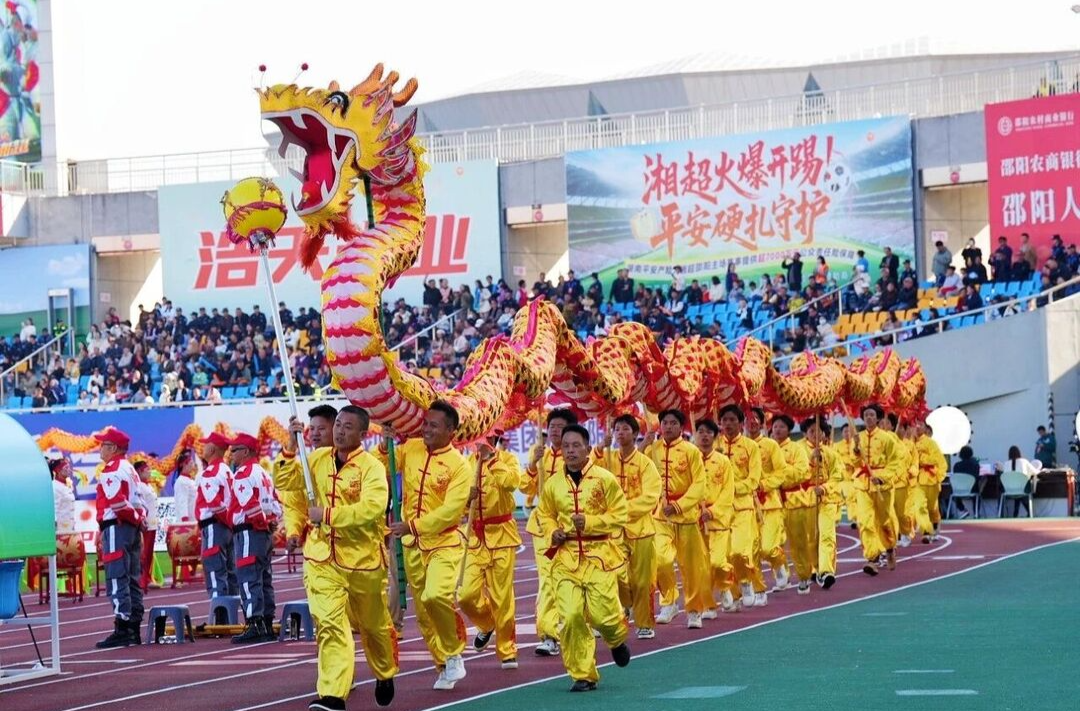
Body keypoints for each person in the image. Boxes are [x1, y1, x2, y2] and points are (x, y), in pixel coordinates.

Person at [279, 406, 398, 711]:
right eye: (339, 426)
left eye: (348, 427)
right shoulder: (317, 459)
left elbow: (373, 508)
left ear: (361, 434)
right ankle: (333, 696)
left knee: (374, 627)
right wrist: (290, 450)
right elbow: (286, 482)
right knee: (330, 625)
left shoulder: (371, 468)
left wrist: (328, 514)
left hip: (363, 562)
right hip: (322, 559)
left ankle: (384, 672)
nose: (340, 431)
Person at [381, 401, 471, 691]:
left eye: (434, 425)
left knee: (436, 596)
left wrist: (413, 525)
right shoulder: (413, 448)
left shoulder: (460, 465)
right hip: (412, 546)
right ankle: (444, 664)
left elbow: (451, 511)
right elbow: (381, 464)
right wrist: (385, 445)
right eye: (426, 423)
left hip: (444, 541)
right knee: (423, 615)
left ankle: (454, 651)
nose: (427, 429)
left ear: (450, 430)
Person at [537, 424, 631, 692]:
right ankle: (583, 673)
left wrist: (590, 522)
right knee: (570, 615)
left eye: (576, 445)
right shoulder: (553, 484)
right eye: (565, 446)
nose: (570, 451)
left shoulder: (604, 479)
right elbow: (543, 514)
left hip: (599, 557)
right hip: (566, 559)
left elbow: (620, 515)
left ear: (588, 449)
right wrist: (553, 531)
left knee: (605, 618)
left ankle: (616, 640)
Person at [593, 414, 661, 638]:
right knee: (613, 575)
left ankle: (644, 623)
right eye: (617, 429)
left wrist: (622, 510)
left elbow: (651, 497)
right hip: (614, 532)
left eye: (624, 429)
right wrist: (599, 449)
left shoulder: (645, 463)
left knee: (642, 580)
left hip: (640, 531)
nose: (620, 433)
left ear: (634, 433)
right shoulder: (608, 459)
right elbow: (588, 471)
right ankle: (625, 604)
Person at [459, 433, 523, 670]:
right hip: (475, 537)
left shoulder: (508, 459)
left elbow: (511, 483)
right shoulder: (466, 464)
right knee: (466, 594)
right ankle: (486, 624)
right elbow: (456, 500)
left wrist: (491, 460)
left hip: (502, 535)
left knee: (502, 596)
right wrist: (467, 498)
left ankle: (507, 649)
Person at [645, 409, 710, 628]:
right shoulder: (651, 450)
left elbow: (699, 484)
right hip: (660, 516)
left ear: (681, 427)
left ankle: (693, 610)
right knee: (661, 560)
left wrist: (680, 506)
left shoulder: (691, 451)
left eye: (673, 423)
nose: (668, 426)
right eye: (665, 423)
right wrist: (643, 443)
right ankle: (669, 602)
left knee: (691, 567)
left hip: (686, 517)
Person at [520, 408, 577, 656]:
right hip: (543, 528)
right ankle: (549, 635)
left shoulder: (576, 456)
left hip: (570, 530)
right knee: (547, 581)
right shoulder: (539, 453)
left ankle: (577, 622)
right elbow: (525, 487)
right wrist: (533, 464)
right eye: (551, 426)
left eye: (559, 426)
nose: (554, 430)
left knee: (573, 580)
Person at [93, 427, 146, 648]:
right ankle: (133, 625)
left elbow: (117, 502)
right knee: (132, 576)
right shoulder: (130, 469)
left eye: (103, 444)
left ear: (113, 448)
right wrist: (139, 519)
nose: (100, 448)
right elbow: (138, 502)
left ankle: (122, 626)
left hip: (117, 527)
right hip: (129, 527)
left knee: (116, 576)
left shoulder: (112, 469)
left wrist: (133, 518)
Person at [226, 432, 281, 644]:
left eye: (234, 451)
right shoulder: (264, 473)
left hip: (250, 531)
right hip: (263, 532)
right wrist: (271, 522)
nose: (231, 455)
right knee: (264, 577)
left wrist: (262, 522)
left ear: (246, 451)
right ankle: (266, 622)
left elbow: (249, 505)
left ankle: (254, 622)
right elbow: (275, 503)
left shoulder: (242, 474)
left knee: (249, 577)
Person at [715, 405, 762, 610]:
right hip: (720, 510)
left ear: (741, 422)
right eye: (724, 420)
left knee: (739, 552)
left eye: (732, 419)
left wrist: (733, 488)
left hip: (743, 507)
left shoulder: (751, 447)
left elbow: (753, 480)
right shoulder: (714, 446)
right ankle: (730, 592)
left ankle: (745, 582)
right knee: (721, 556)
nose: (728, 424)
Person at [853, 405, 902, 576]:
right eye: (866, 415)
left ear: (878, 417)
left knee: (884, 521)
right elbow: (855, 462)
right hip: (863, 484)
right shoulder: (857, 437)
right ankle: (872, 558)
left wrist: (882, 477)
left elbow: (895, 461)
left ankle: (889, 547)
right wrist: (856, 452)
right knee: (866, 522)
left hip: (882, 485)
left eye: (872, 415)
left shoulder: (887, 438)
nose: (868, 418)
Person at [746, 408, 789, 600]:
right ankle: (759, 589)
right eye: (748, 419)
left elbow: (781, 473)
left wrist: (762, 485)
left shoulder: (771, 445)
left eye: (756, 420)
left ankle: (779, 563)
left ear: (763, 423)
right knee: (751, 551)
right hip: (746, 506)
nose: (751, 423)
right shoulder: (736, 446)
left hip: (769, 503)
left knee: (767, 548)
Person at [694, 419, 736, 613]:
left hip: (718, 519)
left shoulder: (723, 461)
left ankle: (726, 585)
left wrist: (712, 511)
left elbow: (728, 492)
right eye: (700, 431)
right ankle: (708, 603)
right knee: (702, 567)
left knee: (717, 561)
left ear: (715, 436)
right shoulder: (690, 459)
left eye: (708, 432)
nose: (703, 435)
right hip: (695, 519)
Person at [800, 417, 845, 589]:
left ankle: (827, 571)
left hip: (827, 499)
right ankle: (815, 568)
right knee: (811, 537)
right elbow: (797, 474)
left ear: (824, 434)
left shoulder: (832, 454)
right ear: (805, 434)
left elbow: (837, 476)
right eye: (812, 431)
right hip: (807, 499)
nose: (816, 434)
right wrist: (811, 460)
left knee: (827, 534)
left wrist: (825, 488)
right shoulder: (799, 450)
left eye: (819, 431)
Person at [195, 432, 237, 604]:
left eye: (205, 445)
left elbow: (215, 505)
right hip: (226, 526)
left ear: (212, 448)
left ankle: (220, 616)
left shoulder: (210, 472)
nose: (202, 448)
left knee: (214, 571)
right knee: (230, 572)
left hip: (215, 525)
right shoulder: (227, 470)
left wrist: (226, 521)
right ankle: (231, 615)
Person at [773, 415, 812, 594]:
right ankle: (782, 575)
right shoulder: (768, 448)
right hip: (773, 502)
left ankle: (804, 576)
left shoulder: (796, 449)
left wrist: (781, 471)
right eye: (775, 427)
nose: (777, 430)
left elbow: (803, 473)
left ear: (788, 430)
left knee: (798, 543)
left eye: (781, 426)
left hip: (794, 501)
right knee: (773, 542)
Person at [912, 421, 947, 543]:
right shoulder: (911, 443)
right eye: (914, 425)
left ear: (925, 428)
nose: (917, 427)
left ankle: (935, 525)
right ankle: (926, 531)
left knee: (932, 508)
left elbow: (938, 459)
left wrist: (922, 459)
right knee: (920, 506)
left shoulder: (931, 443)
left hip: (931, 479)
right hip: (917, 480)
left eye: (920, 425)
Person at [134, 461, 159, 591]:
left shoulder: (148, 486)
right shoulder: (139, 486)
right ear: (139, 472)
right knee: (144, 553)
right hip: (146, 524)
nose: (149, 472)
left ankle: (147, 578)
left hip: (152, 523)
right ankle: (142, 580)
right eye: (146, 470)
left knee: (148, 554)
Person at [999, 445, 1040, 517]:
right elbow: (1035, 472)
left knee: (1017, 490)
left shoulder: (1006, 464)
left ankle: (1016, 513)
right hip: (1023, 489)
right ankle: (1029, 512)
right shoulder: (1024, 461)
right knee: (1022, 488)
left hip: (1009, 490)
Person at [172, 449, 197, 524]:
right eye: (191, 462)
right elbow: (182, 502)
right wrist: (185, 520)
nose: (193, 464)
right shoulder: (181, 481)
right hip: (188, 522)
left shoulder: (189, 480)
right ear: (184, 464)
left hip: (194, 519)